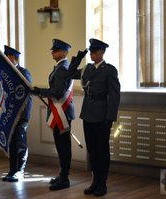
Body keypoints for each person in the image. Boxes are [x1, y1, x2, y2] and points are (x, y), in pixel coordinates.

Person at [68, 38, 120, 196]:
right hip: (88, 113)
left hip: (102, 115)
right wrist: (78, 58)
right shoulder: (87, 69)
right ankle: (95, 181)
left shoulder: (110, 70)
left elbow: (114, 96)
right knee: (92, 151)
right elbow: (70, 73)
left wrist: (109, 118)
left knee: (102, 151)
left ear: (102, 53)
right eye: (90, 52)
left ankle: (102, 184)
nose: (91, 54)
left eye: (94, 52)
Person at [31, 39, 75, 191]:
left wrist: (40, 91)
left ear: (64, 52)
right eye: (53, 50)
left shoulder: (63, 68)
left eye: (56, 50)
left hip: (62, 112)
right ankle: (62, 175)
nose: (52, 52)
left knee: (63, 147)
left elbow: (58, 92)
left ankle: (65, 178)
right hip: (59, 111)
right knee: (61, 146)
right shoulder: (60, 66)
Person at [2, 45, 33, 182]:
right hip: (9, 114)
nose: (5, 58)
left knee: (20, 142)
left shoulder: (23, 73)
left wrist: (24, 115)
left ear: (14, 58)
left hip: (21, 115)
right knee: (11, 144)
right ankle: (12, 170)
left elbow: (28, 95)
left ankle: (20, 171)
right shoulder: (6, 73)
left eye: (7, 56)